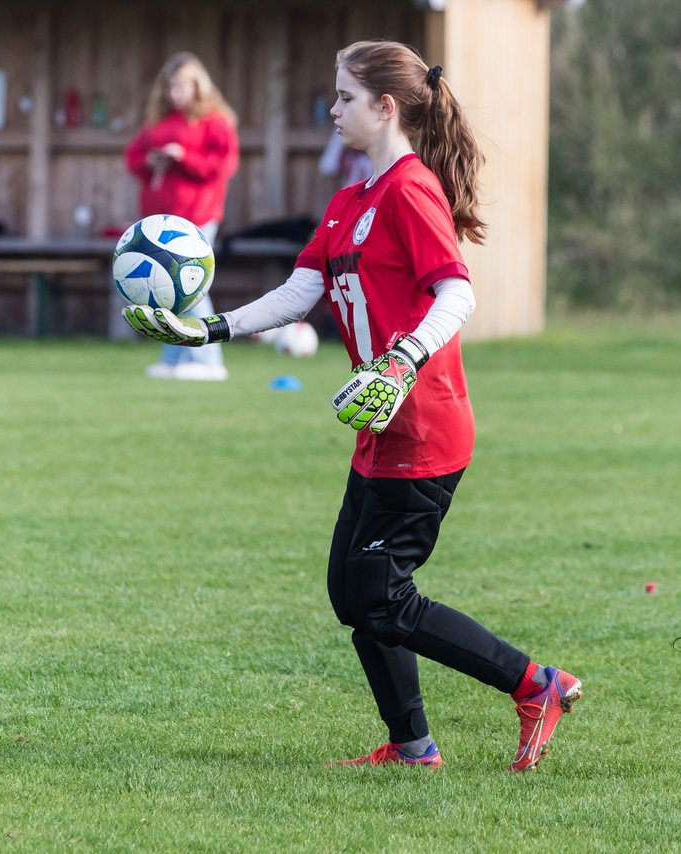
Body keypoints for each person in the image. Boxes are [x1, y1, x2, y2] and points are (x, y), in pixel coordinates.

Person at [122, 40, 582, 772]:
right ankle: (412, 746)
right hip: (379, 430)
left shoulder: (409, 189)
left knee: (379, 594)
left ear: (384, 106)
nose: (332, 110)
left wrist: (401, 361)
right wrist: (207, 326)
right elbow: (301, 293)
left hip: (426, 426)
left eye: (342, 97)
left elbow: (456, 292)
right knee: (353, 591)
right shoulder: (352, 199)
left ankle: (537, 685)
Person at [125, 52, 239, 381]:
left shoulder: (215, 122)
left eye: (182, 86)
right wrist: (152, 161)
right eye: (170, 87)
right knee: (165, 290)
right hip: (159, 220)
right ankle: (173, 359)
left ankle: (209, 360)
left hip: (197, 218)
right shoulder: (158, 122)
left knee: (191, 288)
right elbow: (132, 159)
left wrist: (184, 157)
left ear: (197, 86)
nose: (175, 94)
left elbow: (221, 168)